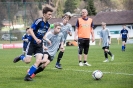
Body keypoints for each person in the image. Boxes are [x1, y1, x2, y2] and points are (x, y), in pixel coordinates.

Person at [13, 7, 53, 81]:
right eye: (49, 14)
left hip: (39, 45)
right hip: (32, 43)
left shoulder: (48, 25)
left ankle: (28, 76)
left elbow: (43, 35)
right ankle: (21, 57)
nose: (50, 16)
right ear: (44, 14)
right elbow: (31, 30)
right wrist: (36, 39)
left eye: (51, 14)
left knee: (38, 61)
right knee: (27, 61)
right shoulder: (38, 21)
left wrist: (47, 40)